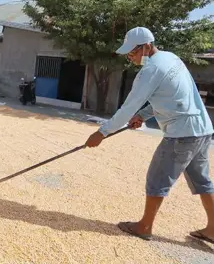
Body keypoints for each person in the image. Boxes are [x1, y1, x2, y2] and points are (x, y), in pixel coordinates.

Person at [85, 27, 214, 244]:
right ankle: (213, 229)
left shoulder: (150, 70)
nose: (130, 57)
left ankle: (144, 226)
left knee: (157, 178)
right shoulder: (171, 58)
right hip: (201, 130)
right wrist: (144, 115)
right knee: (202, 181)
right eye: (128, 54)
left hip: (181, 134)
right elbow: (171, 96)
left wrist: (102, 132)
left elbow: (127, 107)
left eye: (132, 52)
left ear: (146, 46)